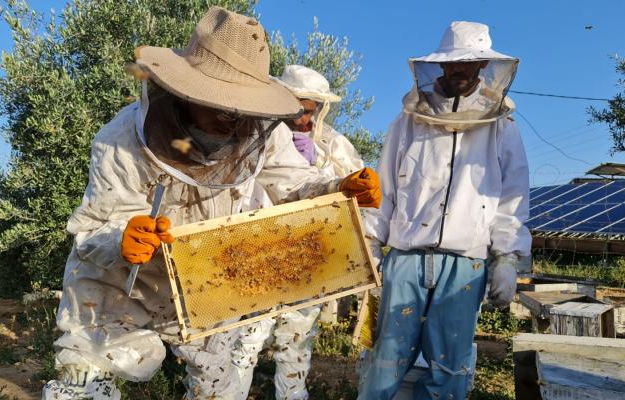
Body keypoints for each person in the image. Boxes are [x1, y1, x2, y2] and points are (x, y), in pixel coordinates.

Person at [41, 7, 380, 400]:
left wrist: (338, 187)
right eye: (221, 103)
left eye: (241, 106)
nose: (233, 119)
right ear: (186, 91)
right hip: (116, 287)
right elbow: (91, 230)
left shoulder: (262, 132)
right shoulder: (119, 140)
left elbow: (294, 184)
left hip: (205, 282)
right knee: (82, 385)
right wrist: (121, 238)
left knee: (220, 390)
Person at [358, 21, 531, 400]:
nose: (461, 70)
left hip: (465, 264)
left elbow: (512, 198)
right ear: (440, 65)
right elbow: (383, 190)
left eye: (470, 63)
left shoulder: (503, 128)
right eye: (455, 63)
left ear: (484, 67)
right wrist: (371, 242)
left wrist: (507, 257)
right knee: (384, 360)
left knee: (451, 369)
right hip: (406, 258)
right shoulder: (406, 123)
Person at [232, 65, 365, 400]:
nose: (304, 120)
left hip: (309, 259)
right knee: (245, 341)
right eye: (298, 112)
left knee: (296, 342)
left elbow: (357, 190)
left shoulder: (333, 145)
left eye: (310, 112)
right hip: (258, 254)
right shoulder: (254, 136)